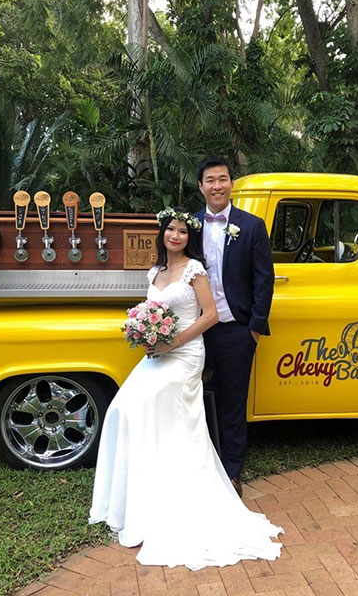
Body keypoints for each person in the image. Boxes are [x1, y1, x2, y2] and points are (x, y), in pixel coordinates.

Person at [89, 207, 283, 570]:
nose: (175, 236)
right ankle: (139, 496)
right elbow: (151, 312)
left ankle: (182, 492)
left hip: (185, 354)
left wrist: (172, 341)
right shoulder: (155, 271)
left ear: (188, 237)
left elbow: (210, 315)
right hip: (157, 355)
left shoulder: (195, 270)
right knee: (123, 406)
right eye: (170, 230)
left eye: (181, 231)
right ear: (162, 234)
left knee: (153, 402)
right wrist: (144, 332)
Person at [194, 155, 274, 498]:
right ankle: (199, 469)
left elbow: (263, 279)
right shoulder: (190, 225)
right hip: (195, 331)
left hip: (236, 330)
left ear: (231, 184)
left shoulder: (252, 225)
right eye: (210, 180)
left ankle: (230, 472)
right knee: (194, 401)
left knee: (232, 403)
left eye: (222, 179)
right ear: (201, 187)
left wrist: (253, 328)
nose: (217, 186)